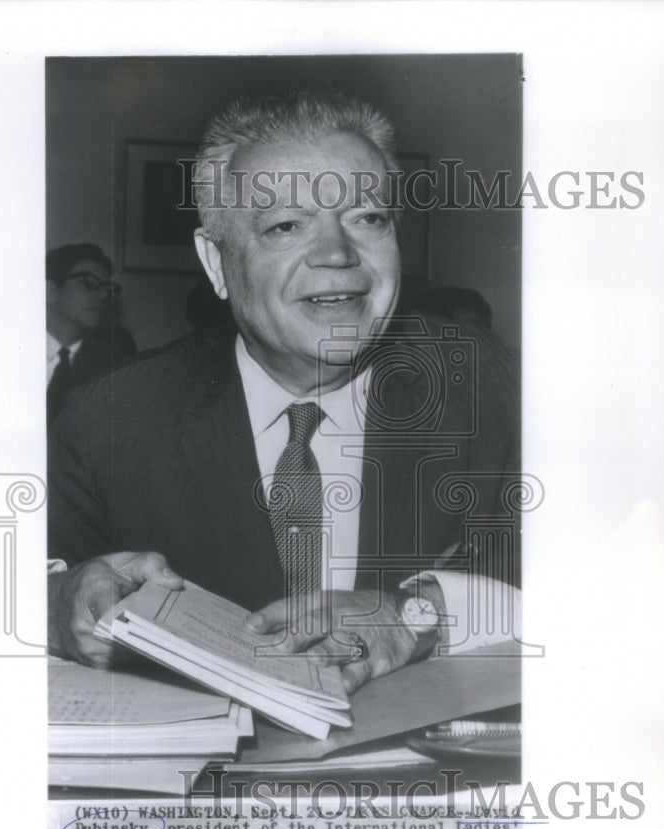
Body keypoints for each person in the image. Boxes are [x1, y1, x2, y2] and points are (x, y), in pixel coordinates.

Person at [48, 92, 520, 692]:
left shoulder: (493, 388)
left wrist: (419, 616)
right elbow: (12, 584)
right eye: (285, 226)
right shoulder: (111, 417)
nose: (336, 255)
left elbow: (598, 576)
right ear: (216, 263)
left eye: (367, 218)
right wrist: (60, 606)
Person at [46, 243, 137, 428]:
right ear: (50, 291)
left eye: (107, 287)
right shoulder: (4, 350)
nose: (103, 295)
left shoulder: (115, 361)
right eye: (90, 283)